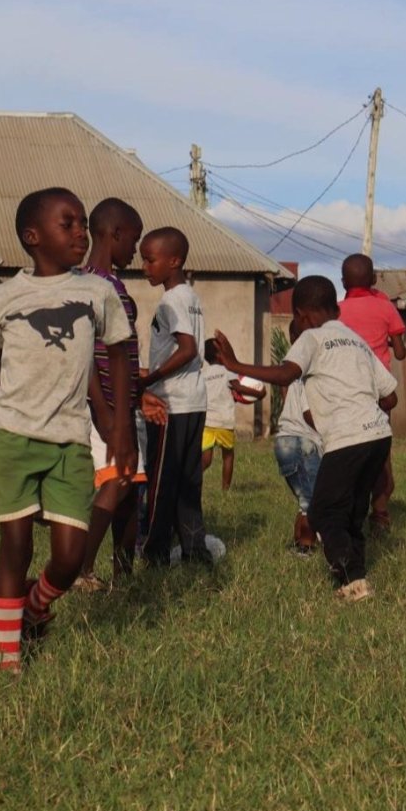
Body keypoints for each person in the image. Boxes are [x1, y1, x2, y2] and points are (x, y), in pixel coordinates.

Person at [0, 187, 134, 672]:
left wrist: (120, 428)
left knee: (70, 554)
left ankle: (37, 607)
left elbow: (119, 356)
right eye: (69, 224)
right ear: (33, 237)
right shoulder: (3, 297)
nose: (81, 232)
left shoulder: (96, 292)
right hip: (13, 435)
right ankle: (9, 656)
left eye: (82, 222)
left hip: (70, 438)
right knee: (15, 543)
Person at [216, 275, 397, 603]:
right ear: (335, 308)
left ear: (302, 315)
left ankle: (351, 582)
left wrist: (234, 364)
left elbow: (287, 374)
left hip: (348, 438)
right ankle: (358, 573)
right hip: (379, 435)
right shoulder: (356, 341)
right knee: (353, 512)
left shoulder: (311, 338)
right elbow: (390, 398)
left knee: (323, 512)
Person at [76, 198, 164, 591]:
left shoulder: (107, 285)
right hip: (106, 407)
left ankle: (123, 577)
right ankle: (81, 569)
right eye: (134, 239)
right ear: (114, 234)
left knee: (131, 488)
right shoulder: (94, 287)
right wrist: (104, 410)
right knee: (118, 480)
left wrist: (135, 400)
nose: (135, 249)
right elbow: (89, 355)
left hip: (121, 404)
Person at [139, 227, 212, 567]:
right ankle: (195, 551)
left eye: (150, 260)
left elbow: (187, 349)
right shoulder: (191, 297)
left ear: (174, 261)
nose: (144, 266)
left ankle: (154, 551)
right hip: (194, 400)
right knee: (187, 481)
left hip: (172, 402)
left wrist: (149, 379)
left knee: (161, 482)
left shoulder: (172, 300)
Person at [337, 253, 406, 531]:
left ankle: (347, 511)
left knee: (346, 449)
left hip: (345, 391)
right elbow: (400, 352)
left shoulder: (336, 311)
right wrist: (390, 342)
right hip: (379, 393)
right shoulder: (385, 307)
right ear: (375, 279)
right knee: (380, 453)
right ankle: (379, 513)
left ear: (343, 282)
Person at [273, 320, 323, 555]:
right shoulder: (309, 369)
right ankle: (305, 547)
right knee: (311, 501)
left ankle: (300, 542)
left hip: (284, 439)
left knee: (305, 496)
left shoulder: (288, 368)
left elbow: (287, 400)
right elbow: (308, 412)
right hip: (303, 441)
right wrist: (327, 429)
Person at [201, 338, 265, 491]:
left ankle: (192, 481)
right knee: (228, 455)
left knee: (206, 459)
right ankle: (225, 490)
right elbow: (238, 387)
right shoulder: (228, 371)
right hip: (224, 421)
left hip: (208, 422)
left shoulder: (203, 374)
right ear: (219, 355)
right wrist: (259, 393)